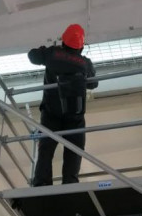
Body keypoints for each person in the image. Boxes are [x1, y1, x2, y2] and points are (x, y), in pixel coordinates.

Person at [27, 24, 98, 186]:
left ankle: (42, 183)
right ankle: (70, 183)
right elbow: (93, 84)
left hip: (51, 113)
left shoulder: (53, 54)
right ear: (81, 47)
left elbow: (32, 56)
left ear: (63, 41)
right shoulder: (84, 63)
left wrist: (47, 51)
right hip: (74, 116)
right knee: (75, 149)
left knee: (46, 148)